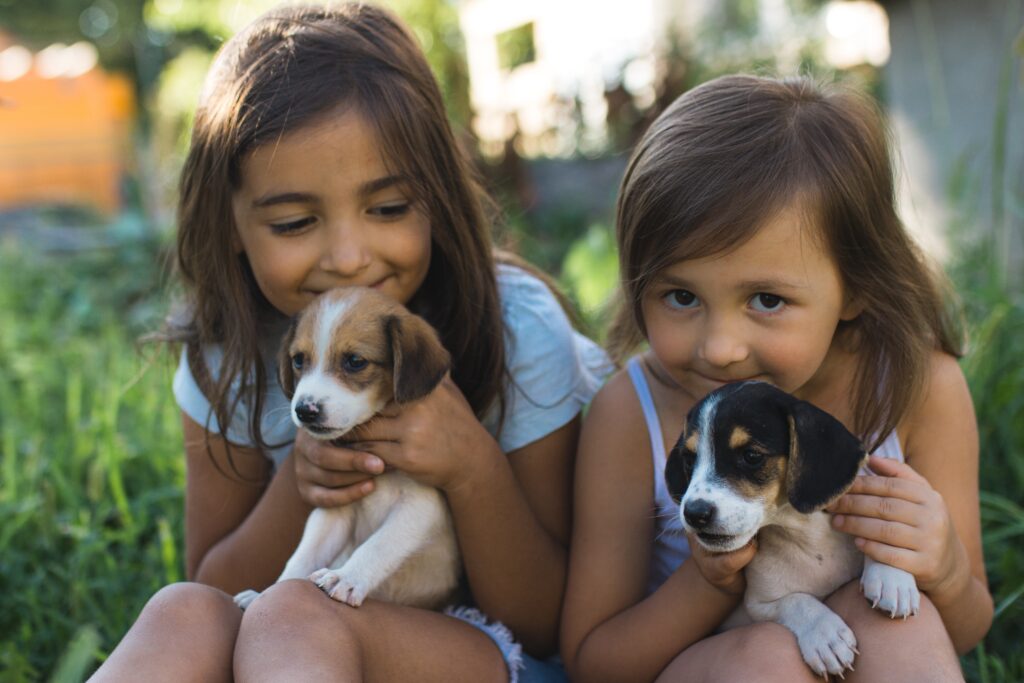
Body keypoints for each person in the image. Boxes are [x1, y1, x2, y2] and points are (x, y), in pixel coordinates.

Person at [90, 4, 610, 682]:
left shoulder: (518, 328)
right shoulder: (226, 350)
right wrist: (299, 482)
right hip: (293, 630)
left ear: (439, 198)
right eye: (295, 221)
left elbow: (551, 624)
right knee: (178, 613)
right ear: (231, 227)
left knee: (293, 614)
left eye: (389, 208)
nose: (348, 255)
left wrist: (470, 467)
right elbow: (217, 587)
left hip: (486, 650)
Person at [560, 74, 992, 683]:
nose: (720, 347)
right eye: (681, 295)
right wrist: (713, 582)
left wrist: (944, 570)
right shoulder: (631, 412)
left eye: (766, 299)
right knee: (769, 657)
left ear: (856, 286)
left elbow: (969, 626)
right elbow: (592, 662)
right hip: (712, 667)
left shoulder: (917, 389)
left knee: (906, 619)